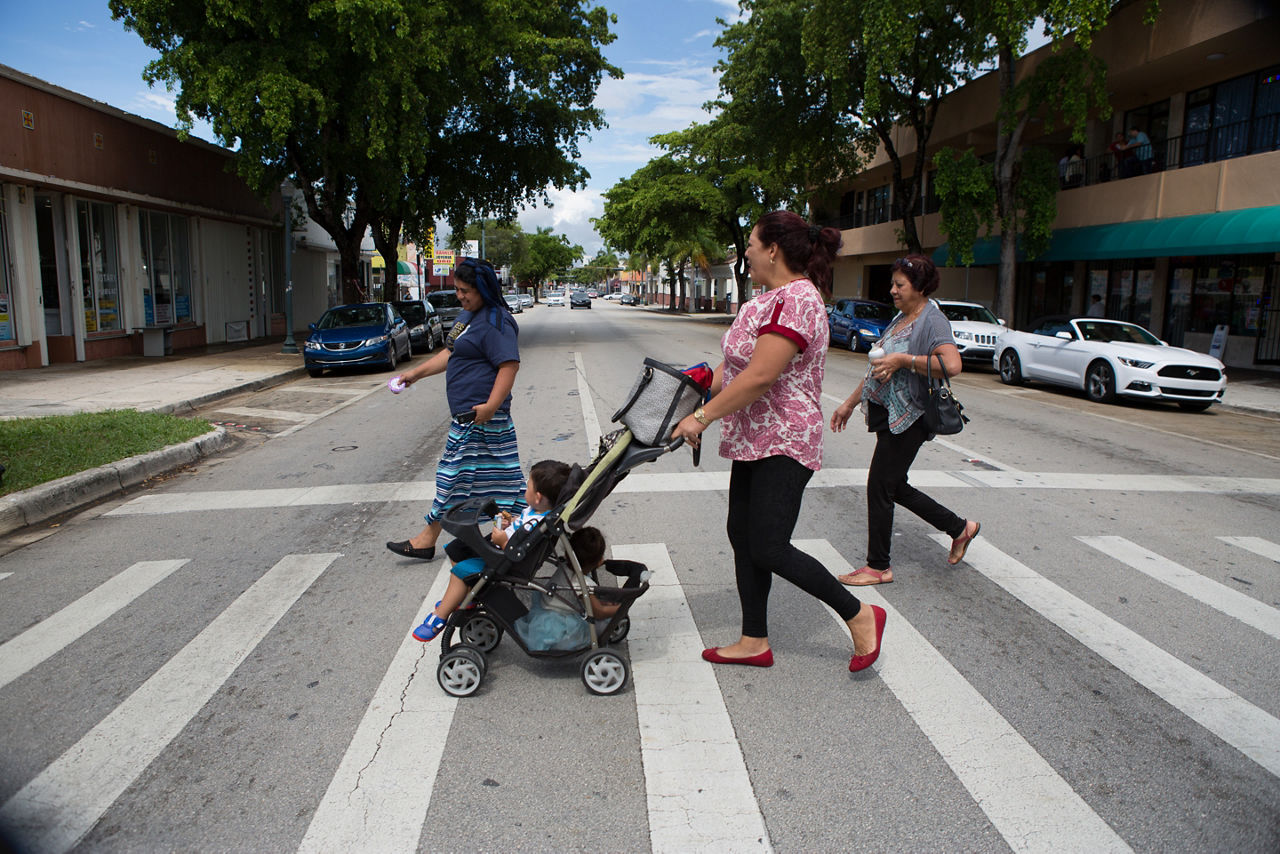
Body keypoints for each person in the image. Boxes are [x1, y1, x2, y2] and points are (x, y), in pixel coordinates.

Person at [670, 211, 886, 674]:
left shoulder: (799, 299)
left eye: (750, 243)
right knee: (742, 537)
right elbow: (734, 369)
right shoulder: (762, 302)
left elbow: (764, 375)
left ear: (772, 249)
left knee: (768, 545)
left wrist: (703, 418)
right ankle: (753, 640)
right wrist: (682, 401)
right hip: (752, 437)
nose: (745, 251)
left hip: (786, 437)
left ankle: (860, 613)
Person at [829, 254, 980, 587]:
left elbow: (952, 365)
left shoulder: (932, 319)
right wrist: (850, 404)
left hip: (911, 416)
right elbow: (877, 369)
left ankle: (878, 566)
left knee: (879, 486)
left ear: (920, 287)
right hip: (890, 415)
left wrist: (904, 360)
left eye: (900, 285)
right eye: (893, 284)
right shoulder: (901, 316)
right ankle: (959, 527)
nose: (893, 290)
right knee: (893, 486)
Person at [386, 258, 523, 562]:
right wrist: (414, 374)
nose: (460, 296)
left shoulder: (496, 321)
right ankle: (512, 532)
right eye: (457, 289)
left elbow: (508, 366)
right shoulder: (469, 316)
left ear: (483, 290)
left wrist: (490, 406)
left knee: (455, 478)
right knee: (494, 481)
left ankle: (428, 539)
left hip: (483, 418)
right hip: (470, 417)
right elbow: (451, 352)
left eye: (465, 291)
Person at [411, 459, 571, 642]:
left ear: (538, 497)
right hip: (506, 545)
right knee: (458, 548)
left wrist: (502, 541)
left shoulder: (535, 522)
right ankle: (468, 595)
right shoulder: (539, 512)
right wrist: (511, 522)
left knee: (462, 572)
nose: (525, 488)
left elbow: (520, 552)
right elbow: (523, 527)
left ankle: (440, 615)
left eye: (528, 486)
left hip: (505, 556)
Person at [513, 526, 624, 651]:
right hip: (558, 633)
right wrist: (621, 608)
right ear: (599, 561)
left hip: (545, 618)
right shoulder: (581, 583)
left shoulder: (565, 567)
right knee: (602, 625)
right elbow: (599, 612)